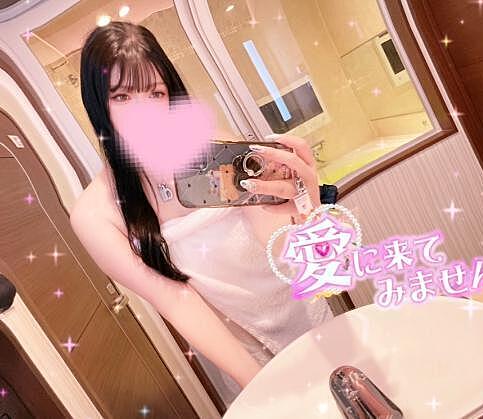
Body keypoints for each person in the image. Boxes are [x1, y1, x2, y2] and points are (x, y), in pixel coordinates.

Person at [69, 21, 334, 402]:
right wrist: (259, 382)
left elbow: (276, 245)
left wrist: (304, 213)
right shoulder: (95, 214)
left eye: (155, 93)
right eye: (123, 96)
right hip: (240, 352)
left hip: (303, 314)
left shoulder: (215, 150)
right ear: (97, 104)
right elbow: (175, 300)